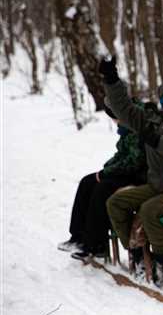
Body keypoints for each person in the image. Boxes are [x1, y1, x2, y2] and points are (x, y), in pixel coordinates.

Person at [98, 55, 163, 281]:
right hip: (157, 185)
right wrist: (111, 79)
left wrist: (157, 140)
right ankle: (136, 251)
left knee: (149, 210)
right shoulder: (151, 120)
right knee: (115, 203)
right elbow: (123, 109)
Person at [58, 103, 147, 260]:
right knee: (87, 182)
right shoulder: (127, 130)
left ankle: (94, 244)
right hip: (128, 173)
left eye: (115, 118)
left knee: (102, 189)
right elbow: (121, 156)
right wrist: (105, 170)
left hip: (140, 177)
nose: (116, 122)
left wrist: (106, 173)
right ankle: (78, 236)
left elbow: (134, 162)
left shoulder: (137, 127)